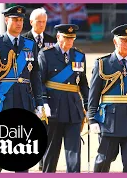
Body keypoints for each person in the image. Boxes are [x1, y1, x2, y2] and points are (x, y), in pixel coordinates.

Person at [0, 5, 46, 173]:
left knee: (23, 146)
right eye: (15, 19)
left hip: (25, 100)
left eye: (21, 20)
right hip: (4, 99)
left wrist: (39, 102)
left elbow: (35, 76)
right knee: (2, 145)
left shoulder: (30, 45)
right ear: (6, 20)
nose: (19, 23)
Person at [87, 24, 127, 172]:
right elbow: (94, 94)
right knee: (103, 161)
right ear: (115, 42)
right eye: (124, 40)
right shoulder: (103, 63)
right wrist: (92, 119)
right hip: (109, 122)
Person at [38, 24, 89, 173]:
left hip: (74, 110)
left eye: (72, 38)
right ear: (58, 37)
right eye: (66, 38)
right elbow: (39, 81)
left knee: (74, 152)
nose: (69, 41)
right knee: (51, 152)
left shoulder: (79, 56)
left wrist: (89, 105)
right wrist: (43, 102)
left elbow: (83, 84)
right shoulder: (46, 54)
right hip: (53, 110)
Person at [21, 7, 56, 171]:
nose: (42, 25)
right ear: (31, 22)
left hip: (46, 91)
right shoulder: (22, 40)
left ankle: (44, 162)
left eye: (44, 22)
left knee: (45, 127)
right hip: (27, 90)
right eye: (38, 22)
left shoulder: (52, 40)